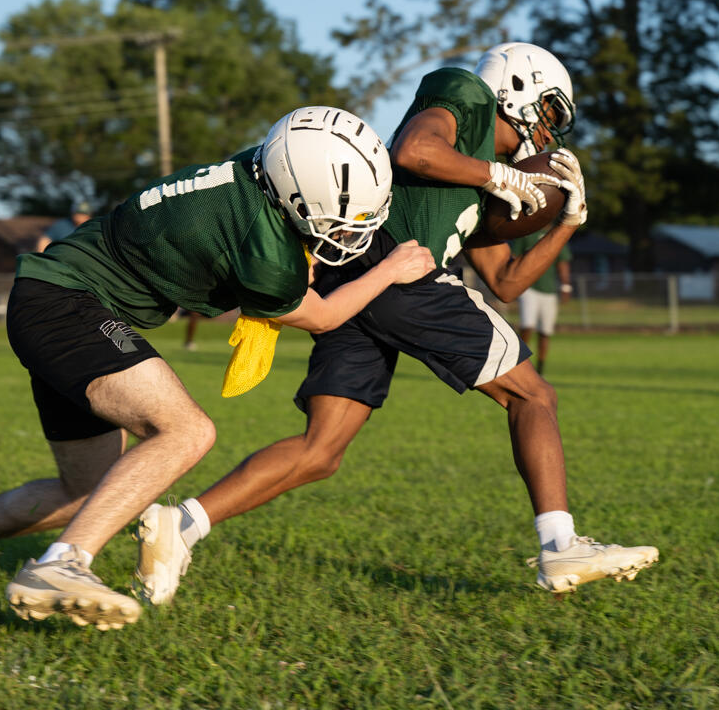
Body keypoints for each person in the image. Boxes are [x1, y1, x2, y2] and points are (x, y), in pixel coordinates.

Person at [135, 42, 657, 607]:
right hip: (396, 264)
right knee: (533, 395)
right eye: (550, 113)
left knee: (321, 451)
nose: (550, 134)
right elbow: (414, 149)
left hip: (359, 284)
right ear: (517, 88)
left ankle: (182, 524)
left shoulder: (478, 187)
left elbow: (505, 282)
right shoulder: (467, 96)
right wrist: (495, 174)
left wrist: (567, 224)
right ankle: (560, 544)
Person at [0, 106, 435, 630]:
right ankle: (61, 564)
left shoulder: (260, 163)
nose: (347, 231)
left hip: (52, 293)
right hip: (69, 302)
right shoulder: (264, 249)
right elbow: (325, 315)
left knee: (91, 492)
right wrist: (390, 268)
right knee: (187, 431)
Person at [511, 226, 572, 374]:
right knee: (527, 326)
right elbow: (514, 258)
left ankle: (540, 369)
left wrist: (566, 286)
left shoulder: (557, 234)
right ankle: (521, 365)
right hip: (528, 287)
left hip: (549, 290)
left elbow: (562, 263)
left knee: (545, 331)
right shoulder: (525, 234)